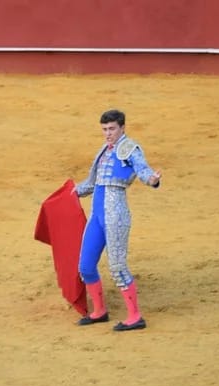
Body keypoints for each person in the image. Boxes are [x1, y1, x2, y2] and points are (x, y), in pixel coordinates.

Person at [73, 109, 161, 331]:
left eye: (112, 129)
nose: (108, 133)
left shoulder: (129, 148)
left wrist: (152, 179)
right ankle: (99, 311)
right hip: (97, 217)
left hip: (116, 215)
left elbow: (143, 170)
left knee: (117, 265)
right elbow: (91, 183)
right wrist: (70, 193)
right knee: (85, 266)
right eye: (104, 129)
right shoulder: (103, 151)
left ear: (122, 128)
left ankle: (135, 316)